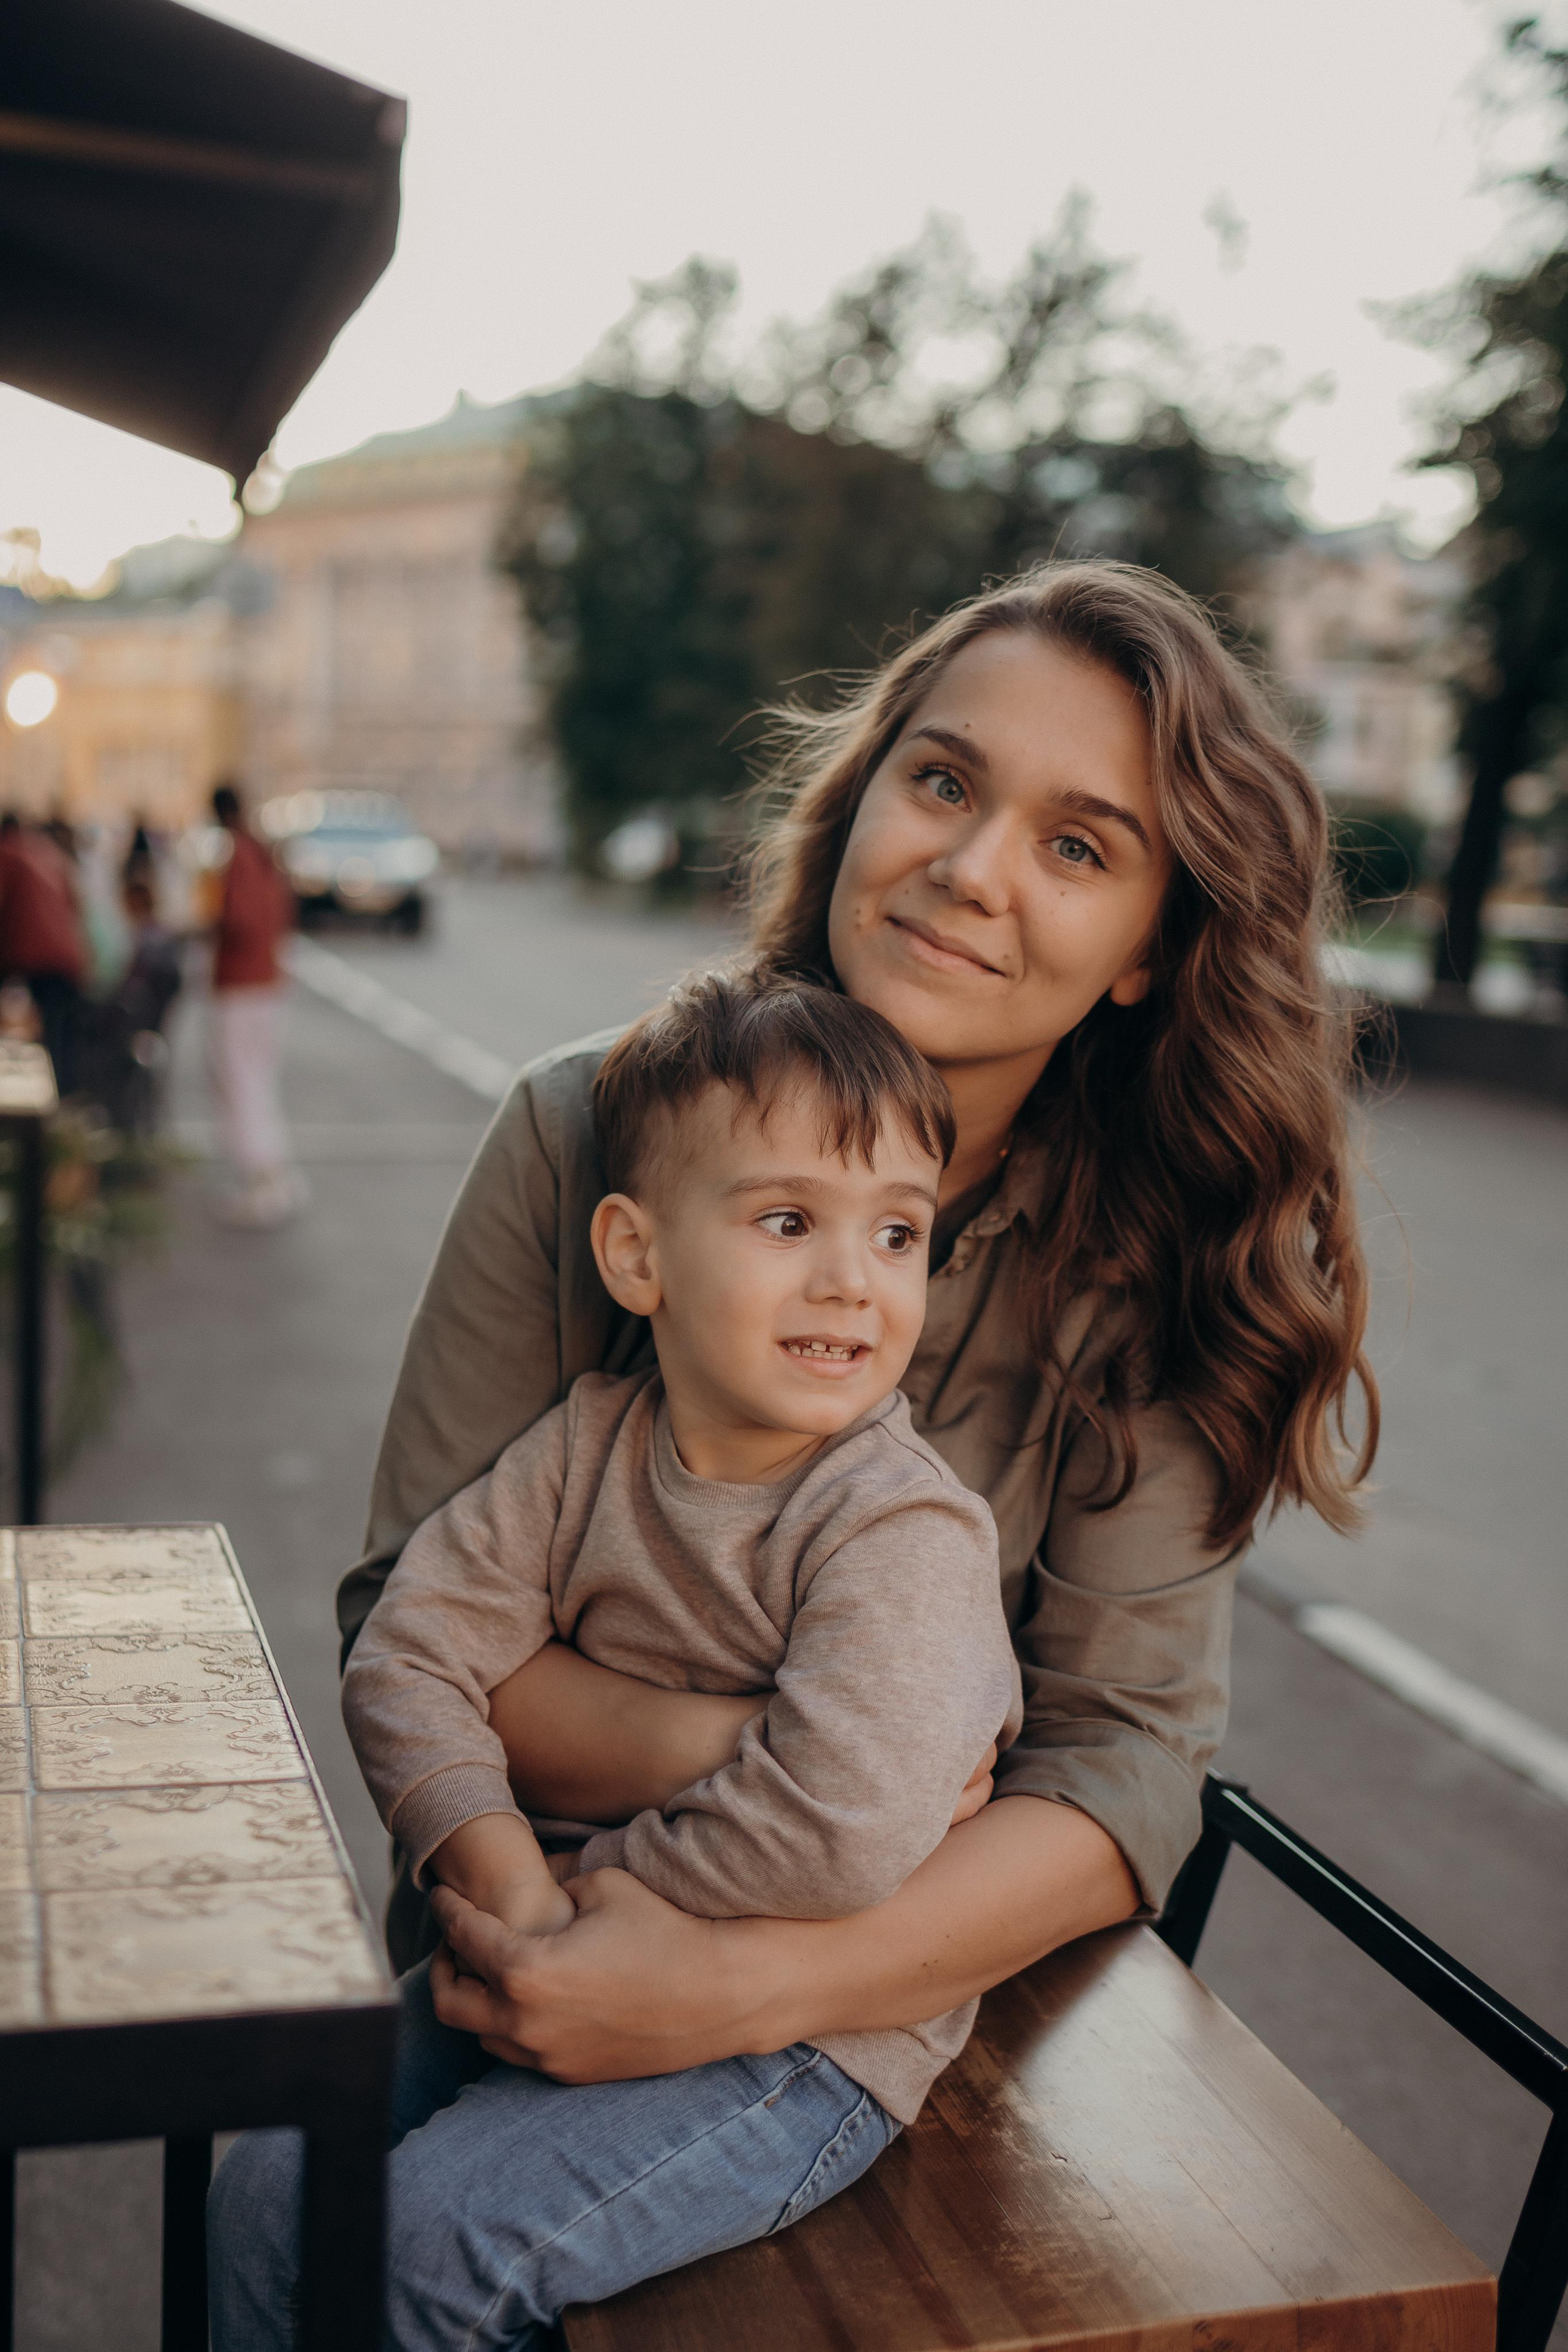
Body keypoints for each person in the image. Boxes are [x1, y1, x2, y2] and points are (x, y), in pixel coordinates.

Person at [221, 560, 1378, 2342]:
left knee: (417, 2263)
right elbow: (416, 1621)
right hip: (514, 1921)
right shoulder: (583, 1129)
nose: (971, 866)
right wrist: (785, 1754)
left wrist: (744, 1984)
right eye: (942, 779)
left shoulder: (1163, 1257)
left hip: (886, 2008)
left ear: (1149, 947)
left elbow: (1123, 1761)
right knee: (256, 2206)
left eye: (1078, 845)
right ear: (859, 800)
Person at [209, 977, 1024, 2345]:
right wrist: (512, 1890)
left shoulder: (899, 1526)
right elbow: (406, 1657)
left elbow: (837, 1828)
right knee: (263, 2194)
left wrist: (593, 1907)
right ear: (637, 1256)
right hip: (546, 1942)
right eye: (787, 1221)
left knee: (426, 2246)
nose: (852, 1278)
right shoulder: (586, 1447)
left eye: (897, 1232)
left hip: (799, 2041)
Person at [203, 780, 303, 1227]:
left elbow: (239, 919)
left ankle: (261, 1181)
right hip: (266, 979)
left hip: (242, 983)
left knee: (241, 1081)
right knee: (259, 1080)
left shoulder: (239, 854)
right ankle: (276, 1174)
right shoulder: (263, 851)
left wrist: (209, 927)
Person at [0, 810, 88, 1093]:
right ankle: (63, 1094)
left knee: (51, 1030)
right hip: (69, 955)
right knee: (60, 1032)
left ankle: (47, 1096)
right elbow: (75, 904)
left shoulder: (8, 853)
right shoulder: (49, 852)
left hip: (33, 955)